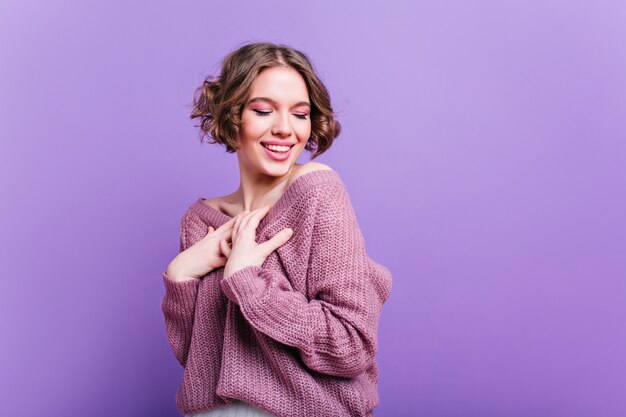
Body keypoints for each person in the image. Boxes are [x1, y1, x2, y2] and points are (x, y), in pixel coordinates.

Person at [161, 42, 393, 417]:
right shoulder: (201, 221)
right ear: (232, 116)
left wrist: (248, 282)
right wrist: (180, 274)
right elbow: (199, 362)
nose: (285, 129)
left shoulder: (316, 190)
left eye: (300, 115)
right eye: (264, 110)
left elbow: (351, 345)